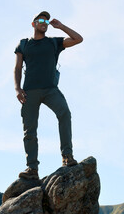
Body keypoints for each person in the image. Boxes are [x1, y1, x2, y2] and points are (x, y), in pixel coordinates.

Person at [14, 11, 83, 180]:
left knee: (65, 114)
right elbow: (17, 68)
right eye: (41, 20)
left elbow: (78, 39)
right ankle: (32, 169)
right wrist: (17, 89)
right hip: (29, 92)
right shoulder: (23, 44)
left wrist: (61, 27)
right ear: (33, 24)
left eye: (46, 20)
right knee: (29, 130)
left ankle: (67, 157)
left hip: (51, 90)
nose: (44, 22)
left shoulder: (54, 42)